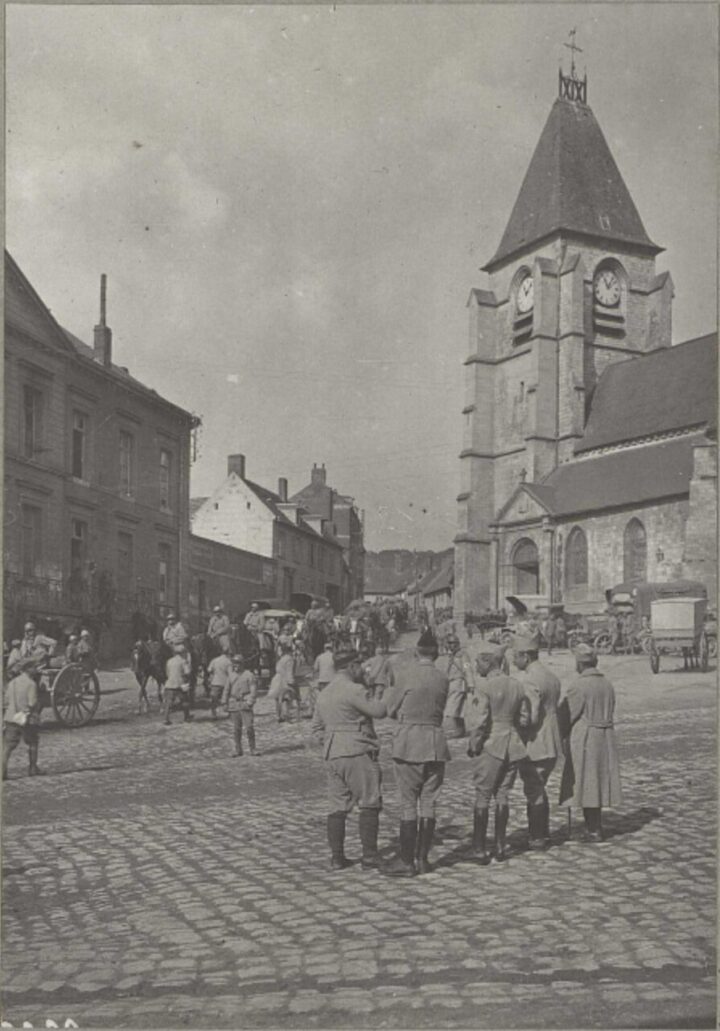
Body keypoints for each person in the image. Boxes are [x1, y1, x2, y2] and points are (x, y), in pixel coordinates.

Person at [382, 629, 451, 877]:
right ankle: (423, 859)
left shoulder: (406, 675)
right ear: (437, 654)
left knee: (408, 803)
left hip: (409, 743)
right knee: (429, 802)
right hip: (434, 743)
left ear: (416, 652)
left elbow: (389, 709)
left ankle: (406, 861)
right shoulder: (443, 678)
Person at [311, 649, 387, 871]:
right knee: (370, 801)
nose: (362, 669)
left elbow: (316, 728)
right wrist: (380, 690)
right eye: (360, 665)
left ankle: (337, 857)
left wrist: (332, 741)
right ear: (352, 666)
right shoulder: (354, 689)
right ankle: (370, 855)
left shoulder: (324, 693)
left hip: (332, 753)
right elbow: (379, 711)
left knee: (337, 806)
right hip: (357, 750)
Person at [467, 642, 541, 864]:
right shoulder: (517, 685)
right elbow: (524, 718)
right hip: (513, 744)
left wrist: (474, 745)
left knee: (483, 795)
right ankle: (500, 846)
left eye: (478, 661)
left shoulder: (485, 687)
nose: (476, 665)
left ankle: (479, 849)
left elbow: (479, 722)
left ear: (488, 662)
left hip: (492, 745)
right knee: (502, 795)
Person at [559, 643, 623, 842]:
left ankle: (593, 830)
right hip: (605, 736)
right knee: (598, 780)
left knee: (587, 781)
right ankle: (595, 826)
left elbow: (567, 715)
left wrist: (562, 731)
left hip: (586, 737)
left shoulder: (579, 686)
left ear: (579, 663)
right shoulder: (607, 684)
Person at [512, 633, 563, 850]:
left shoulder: (529, 680)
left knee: (533, 789)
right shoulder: (551, 675)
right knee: (539, 787)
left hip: (536, 742)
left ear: (525, 655)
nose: (514, 661)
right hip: (552, 738)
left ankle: (537, 837)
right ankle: (543, 833)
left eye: (516, 656)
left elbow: (529, 718)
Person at [2, 657, 43, 779]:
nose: (36, 669)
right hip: (26, 719)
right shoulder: (31, 684)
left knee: (7, 747)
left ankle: (2, 772)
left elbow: (6, 700)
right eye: (34, 667)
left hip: (11, 718)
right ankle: (32, 768)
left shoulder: (12, 683)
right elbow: (32, 703)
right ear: (28, 669)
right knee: (33, 742)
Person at [436, 634, 473, 739]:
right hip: (451, 683)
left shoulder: (462, 655)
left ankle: (451, 729)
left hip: (459, 683)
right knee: (459, 709)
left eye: (453, 643)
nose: (451, 646)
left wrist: (471, 683)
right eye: (450, 643)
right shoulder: (451, 656)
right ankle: (460, 730)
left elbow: (467, 669)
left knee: (452, 708)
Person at [223, 655, 258, 757]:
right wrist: (224, 702)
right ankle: (238, 750)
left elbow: (253, 689)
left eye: (237, 664)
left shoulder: (249, 675)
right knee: (236, 729)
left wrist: (250, 701)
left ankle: (253, 749)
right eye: (234, 664)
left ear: (242, 664)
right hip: (234, 704)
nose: (235, 666)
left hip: (245, 703)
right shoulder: (231, 676)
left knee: (249, 727)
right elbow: (226, 690)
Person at [163, 643, 193, 725]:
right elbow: (187, 672)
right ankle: (186, 717)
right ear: (182, 653)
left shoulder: (169, 661)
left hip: (169, 684)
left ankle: (166, 719)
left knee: (168, 702)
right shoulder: (183, 661)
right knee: (185, 701)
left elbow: (167, 673)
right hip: (180, 684)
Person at [269, 643, 298, 722]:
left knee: (278, 697)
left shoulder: (282, 659)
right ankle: (285, 715)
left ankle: (279, 715)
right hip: (283, 679)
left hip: (277, 679)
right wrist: (291, 681)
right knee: (286, 697)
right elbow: (289, 671)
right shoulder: (289, 659)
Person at [207, 648, 233, 719]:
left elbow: (209, 670)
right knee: (226, 698)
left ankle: (214, 714)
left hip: (215, 682)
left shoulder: (214, 660)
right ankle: (228, 713)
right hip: (225, 682)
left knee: (214, 699)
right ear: (228, 653)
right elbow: (230, 673)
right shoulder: (228, 662)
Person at [312, 642, 336, 711]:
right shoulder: (334, 656)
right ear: (331, 648)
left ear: (324, 649)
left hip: (322, 680)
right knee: (332, 696)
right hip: (332, 679)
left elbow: (315, 669)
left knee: (323, 696)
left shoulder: (319, 657)